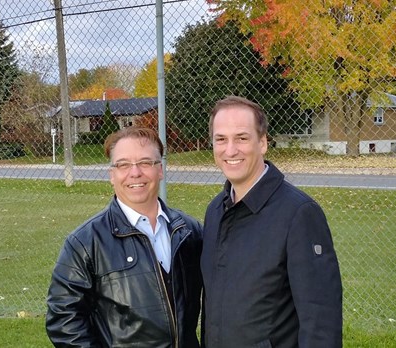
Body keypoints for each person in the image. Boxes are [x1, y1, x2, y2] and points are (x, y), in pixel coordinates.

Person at [201, 96, 343, 347]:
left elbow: (320, 320)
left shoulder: (299, 214)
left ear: (263, 142)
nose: (230, 149)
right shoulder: (215, 211)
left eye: (242, 138)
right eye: (221, 139)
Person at [46, 126, 203, 348]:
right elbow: (64, 321)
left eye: (146, 162)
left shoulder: (189, 232)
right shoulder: (85, 243)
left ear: (160, 169)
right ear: (112, 175)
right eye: (123, 164)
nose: (135, 172)